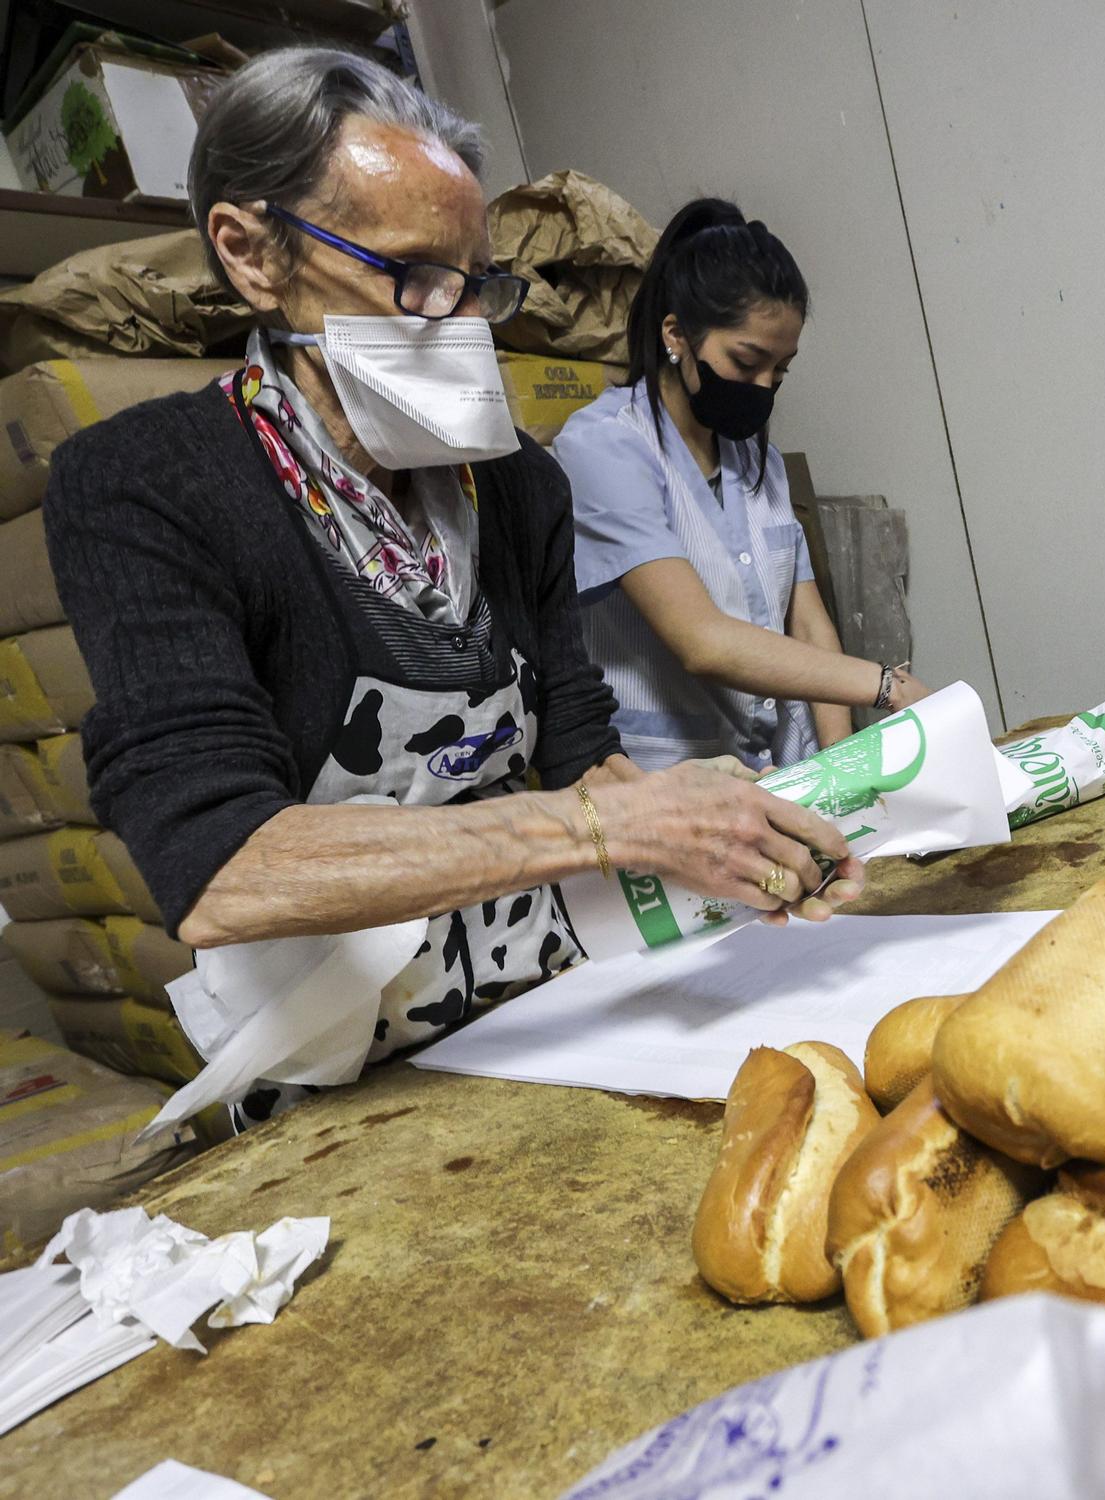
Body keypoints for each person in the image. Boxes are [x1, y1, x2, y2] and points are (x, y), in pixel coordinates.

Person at [42, 50, 862, 1125]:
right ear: (252, 254)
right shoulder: (147, 488)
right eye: (414, 277)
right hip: (339, 1071)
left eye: (477, 283)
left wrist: (728, 835)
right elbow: (225, 867)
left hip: (552, 1008)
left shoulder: (518, 485)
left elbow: (575, 744)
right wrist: (601, 832)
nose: (463, 323)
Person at [554, 199, 928, 771]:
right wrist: (886, 686)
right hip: (676, 774)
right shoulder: (604, 448)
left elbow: (807, 622)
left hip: (780, 767)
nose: (763, 386)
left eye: (780, 370)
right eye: (747, 360)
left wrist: (844, 763)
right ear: (677, 336)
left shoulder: (759, 462)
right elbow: (703, 641)